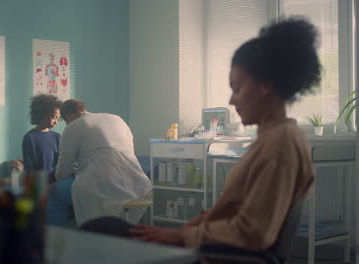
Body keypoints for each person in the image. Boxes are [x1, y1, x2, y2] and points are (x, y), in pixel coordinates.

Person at [83, 17, 319, 253]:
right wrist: (198, 222)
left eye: (237, 88)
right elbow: (239, 211)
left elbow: (253, 233)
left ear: (265, 85)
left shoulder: (280, 144)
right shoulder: (276, 138)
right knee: (105, 228)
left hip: (220, 257)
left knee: (101, 234)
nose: (231, 100)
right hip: (212, 246)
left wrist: (181, 235)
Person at [55, 99, 152, 226]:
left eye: (65, 121)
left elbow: (63, 170)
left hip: (100, 184)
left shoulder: (73, 127)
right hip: (136, 184)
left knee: (52, 194)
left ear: (68, 116)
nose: (67, 124)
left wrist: (62, 178)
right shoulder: (117, 119)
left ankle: (56, 240)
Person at [22, 94, 75, 226]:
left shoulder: (58, 137)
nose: (56, 122)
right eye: (53, 117)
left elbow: (62, 163)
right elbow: (30, 169)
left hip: (57, 183)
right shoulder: (30, 138)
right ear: (42, 114)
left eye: (58, 118)